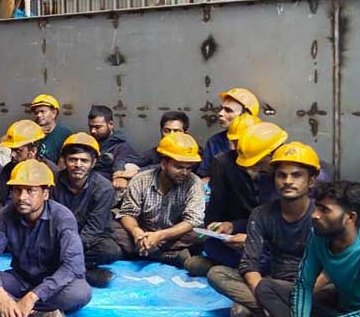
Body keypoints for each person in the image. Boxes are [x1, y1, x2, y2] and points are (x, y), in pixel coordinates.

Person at [0, 160, 91, 317]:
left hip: (52, 285)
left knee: (81, 292)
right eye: (17, 190)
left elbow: (71, 267)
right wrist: (0, 295)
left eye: (30, 191)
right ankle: (35, 316)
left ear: (45, 193)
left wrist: (32, 296)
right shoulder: (5, 215)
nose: (22, 197)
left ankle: (1, 309)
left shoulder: (62, 218)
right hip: (20, 279)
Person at [255, 181, 360, 317]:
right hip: (339, 310)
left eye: (325, 210)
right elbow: (303, 285)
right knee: (266, 287)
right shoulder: (318, 236)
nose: (315, 215)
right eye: (317, 207)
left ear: (350, 217)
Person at [209, 142, 319, 317]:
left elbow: (331, 269)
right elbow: (249, 264)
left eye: (296, 175)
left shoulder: (320, 215)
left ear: (311, 181)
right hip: (271, 283)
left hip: (310, 288)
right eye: (281, 175)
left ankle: (272, 315)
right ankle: (277, 316)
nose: (288, 181)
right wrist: (266, 297)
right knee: (217, 274)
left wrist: (303, 296)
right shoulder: (261, 214)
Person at [184, 121, 284, 277]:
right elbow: (262, 217)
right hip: (257, 238)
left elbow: (292, 233)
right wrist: (232, 226)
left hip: (281, 251)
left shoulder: (290, 181)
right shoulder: (262, 174)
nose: (255, 169)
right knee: (212, 247)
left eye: (257, 163)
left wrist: (252, 241)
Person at [114, 131, 205, 265]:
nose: (185, 173)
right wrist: (136, 232)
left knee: (201, 234)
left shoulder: (194, 183)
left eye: (189, 168)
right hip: (144, 231)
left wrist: (161, 235)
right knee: (112, 227)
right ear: (163, 164)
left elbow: (192, 220)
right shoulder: (141, 180)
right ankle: (164, 255)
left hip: (173, 235)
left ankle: (144, 252)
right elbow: (128, 213)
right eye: (179, 167)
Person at [50, 133, 120, 287]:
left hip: (88, 240)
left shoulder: (104, 188)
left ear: (93, 162)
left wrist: (70, 250)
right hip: (58, 236)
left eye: (84, 160)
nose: (78, 165)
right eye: (72, 159)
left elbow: (94, 228)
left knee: (110, 250)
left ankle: (59, 269)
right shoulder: (52, 182)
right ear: (64, 160)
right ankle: (83, 273)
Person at [0, 120, 59, 219]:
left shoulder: (51, 171)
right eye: (12, 150)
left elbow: (54, 208)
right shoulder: (9, 168)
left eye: (18, 151)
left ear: (33, 151)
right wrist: (5, 220)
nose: (12, 155)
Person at [200, 87, 260, 178]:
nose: (220, 113)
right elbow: (204, 176)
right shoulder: (215, 141)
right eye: (221, 109)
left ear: (246, 115)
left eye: (228, 110)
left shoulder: (263, 140)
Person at [86, 105, 138, 187]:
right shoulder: (88, 142)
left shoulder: (121, 147)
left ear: (110, 124)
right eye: (90, 127)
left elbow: (118, 172)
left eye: (97, 127)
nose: (93, 131)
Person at [30, 94, 72, 163]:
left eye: (42, 111)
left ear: (54, 113)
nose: (38, 115)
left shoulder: (64, 134)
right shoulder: (30, 133)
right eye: (36, 113)